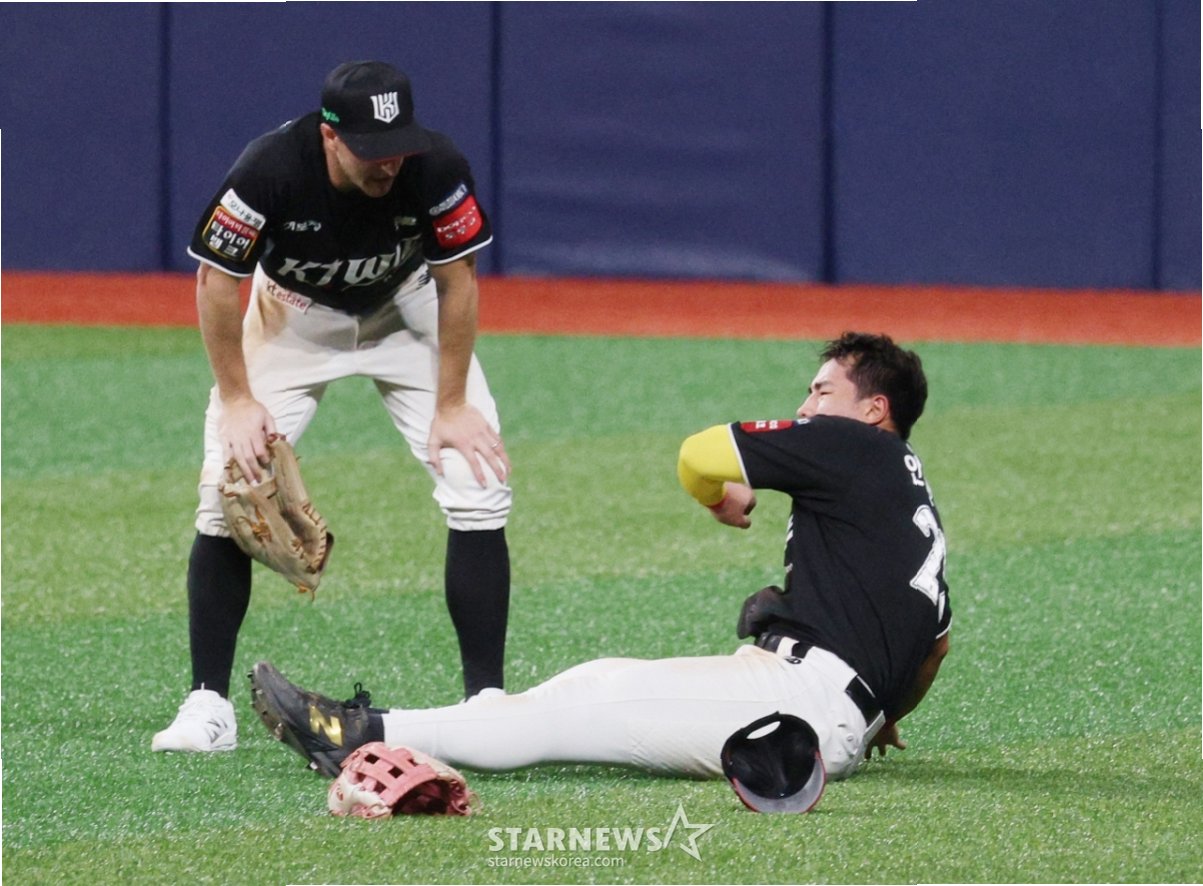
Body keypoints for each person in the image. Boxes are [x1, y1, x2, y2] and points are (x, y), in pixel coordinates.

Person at [249, 332, 950, 785]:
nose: (805, 406)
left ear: (873, 409)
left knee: (580, 708)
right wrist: (879, 714)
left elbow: (698, 454)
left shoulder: (850, 444)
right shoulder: (907, 494)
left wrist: (717, 495)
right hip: (816, 706)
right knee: (595, 678)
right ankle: (399, 728)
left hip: (799, 705)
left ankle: (359, 733)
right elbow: (933, 649)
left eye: (822, 391)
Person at [152, 61, 513, 754]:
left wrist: (451, 404)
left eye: (397, 147)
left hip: (405, 311)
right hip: (293, 318)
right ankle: (207, 704)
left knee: (477, 479)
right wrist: (237, 401)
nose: (388, 164)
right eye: (371, 150)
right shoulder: (270, 168)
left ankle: (487, 703)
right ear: (329, 135)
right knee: (229, 486)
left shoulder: (436, 165)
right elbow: (215, 282)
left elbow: (458, 281)